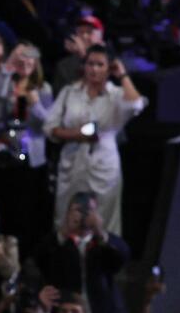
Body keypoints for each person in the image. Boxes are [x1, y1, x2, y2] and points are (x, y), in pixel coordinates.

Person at [44, 44, 144, 235]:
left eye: (100, 64)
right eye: (90, 64)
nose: (94, 69)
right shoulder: (69, 92)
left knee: (104, 221)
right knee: (66, 217)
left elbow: (135, 105)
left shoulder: (115, 94)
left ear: (109, 68)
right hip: (72, 162)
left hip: (103, 165)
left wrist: (122, 75)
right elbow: (50, 128)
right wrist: (77, 135)